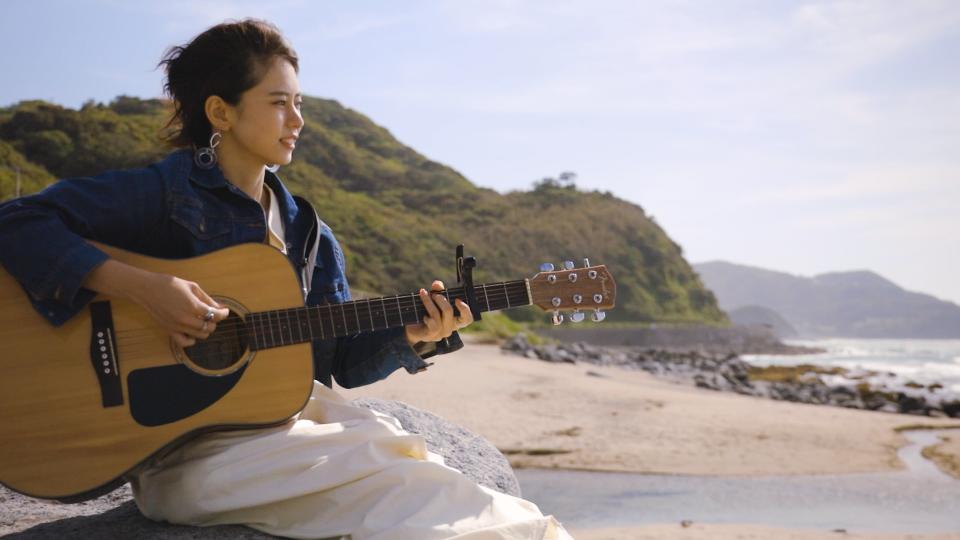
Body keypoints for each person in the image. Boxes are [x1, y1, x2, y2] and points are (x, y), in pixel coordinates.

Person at [0, 18, 573, 540]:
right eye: (278, 103)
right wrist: (145, 288)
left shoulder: (309, 235)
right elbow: (16, 222)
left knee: (419, 474)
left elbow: (334, 364)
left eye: (298, 102)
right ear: (221, 112)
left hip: (278, 435)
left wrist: (412, 335)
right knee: (409, 486)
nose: (297, 120)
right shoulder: (165, 194)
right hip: (191, 458)